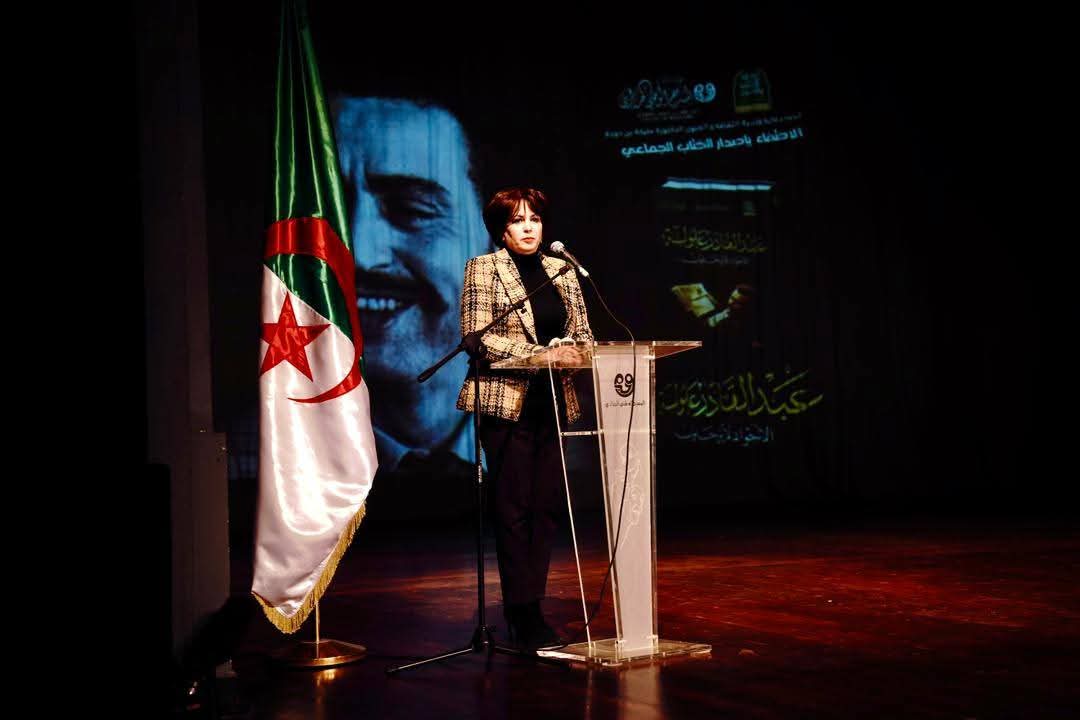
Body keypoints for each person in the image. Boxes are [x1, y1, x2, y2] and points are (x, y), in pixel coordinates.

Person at [456, 187, 594, 648]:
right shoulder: (483, 268)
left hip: (553, 402)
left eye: (534, 218)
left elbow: (583, 334)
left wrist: (571, 351)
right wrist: (539, 354)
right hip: (506, 405)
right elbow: (478, 336)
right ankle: (522, 610)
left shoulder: (563, 270)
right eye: (518, 220)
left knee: (546, 506)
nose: (529, 227)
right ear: (502, 229)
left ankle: (533, 599)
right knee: (513, 509)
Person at [333, 96, 491, 470]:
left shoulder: (567, 448)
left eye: (411, 209)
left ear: (494, 240)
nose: (361, 254)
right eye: (330, 212)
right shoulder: (260, 456)